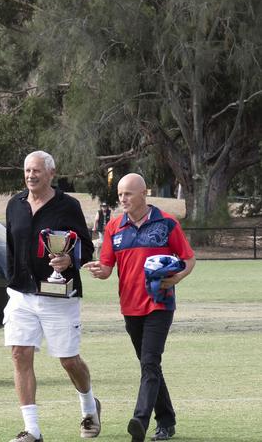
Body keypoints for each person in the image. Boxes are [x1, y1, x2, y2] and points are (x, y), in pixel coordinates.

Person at [84, 173, 196, 442]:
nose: (122, 198)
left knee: (149, 363)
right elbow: (109, 267)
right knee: (151, 367)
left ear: (144, 193)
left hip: (160, 304)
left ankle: (140, 421)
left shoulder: (167, 223)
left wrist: (177, 277)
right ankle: (167, 421)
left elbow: (189, 259)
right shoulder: (113, 227)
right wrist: (100, 271)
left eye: (128, 194)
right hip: (130, 307)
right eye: (120, 194)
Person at [4, 150, 100, 442]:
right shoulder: (15, 205)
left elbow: (85, 246)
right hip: (21, 294)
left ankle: (89, 406)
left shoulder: (67, 205)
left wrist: (69, 261)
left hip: (59, 296)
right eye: (27, 171)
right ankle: (31, 430)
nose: (31, 175)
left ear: (51, 174)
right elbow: (10, 245)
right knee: (20, 353)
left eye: (36, 171)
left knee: (69, 360)